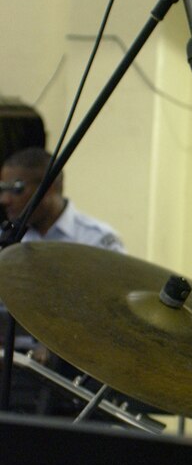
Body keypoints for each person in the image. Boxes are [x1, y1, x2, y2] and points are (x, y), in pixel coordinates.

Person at [0, 147, 125, 413]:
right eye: (3, 189)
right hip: (10, 369)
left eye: (16, 189)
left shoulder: (96, 240)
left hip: (70, 379)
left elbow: (112, 315)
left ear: (49, 188)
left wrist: (59, 343)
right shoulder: (7, 239)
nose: (5, 199)